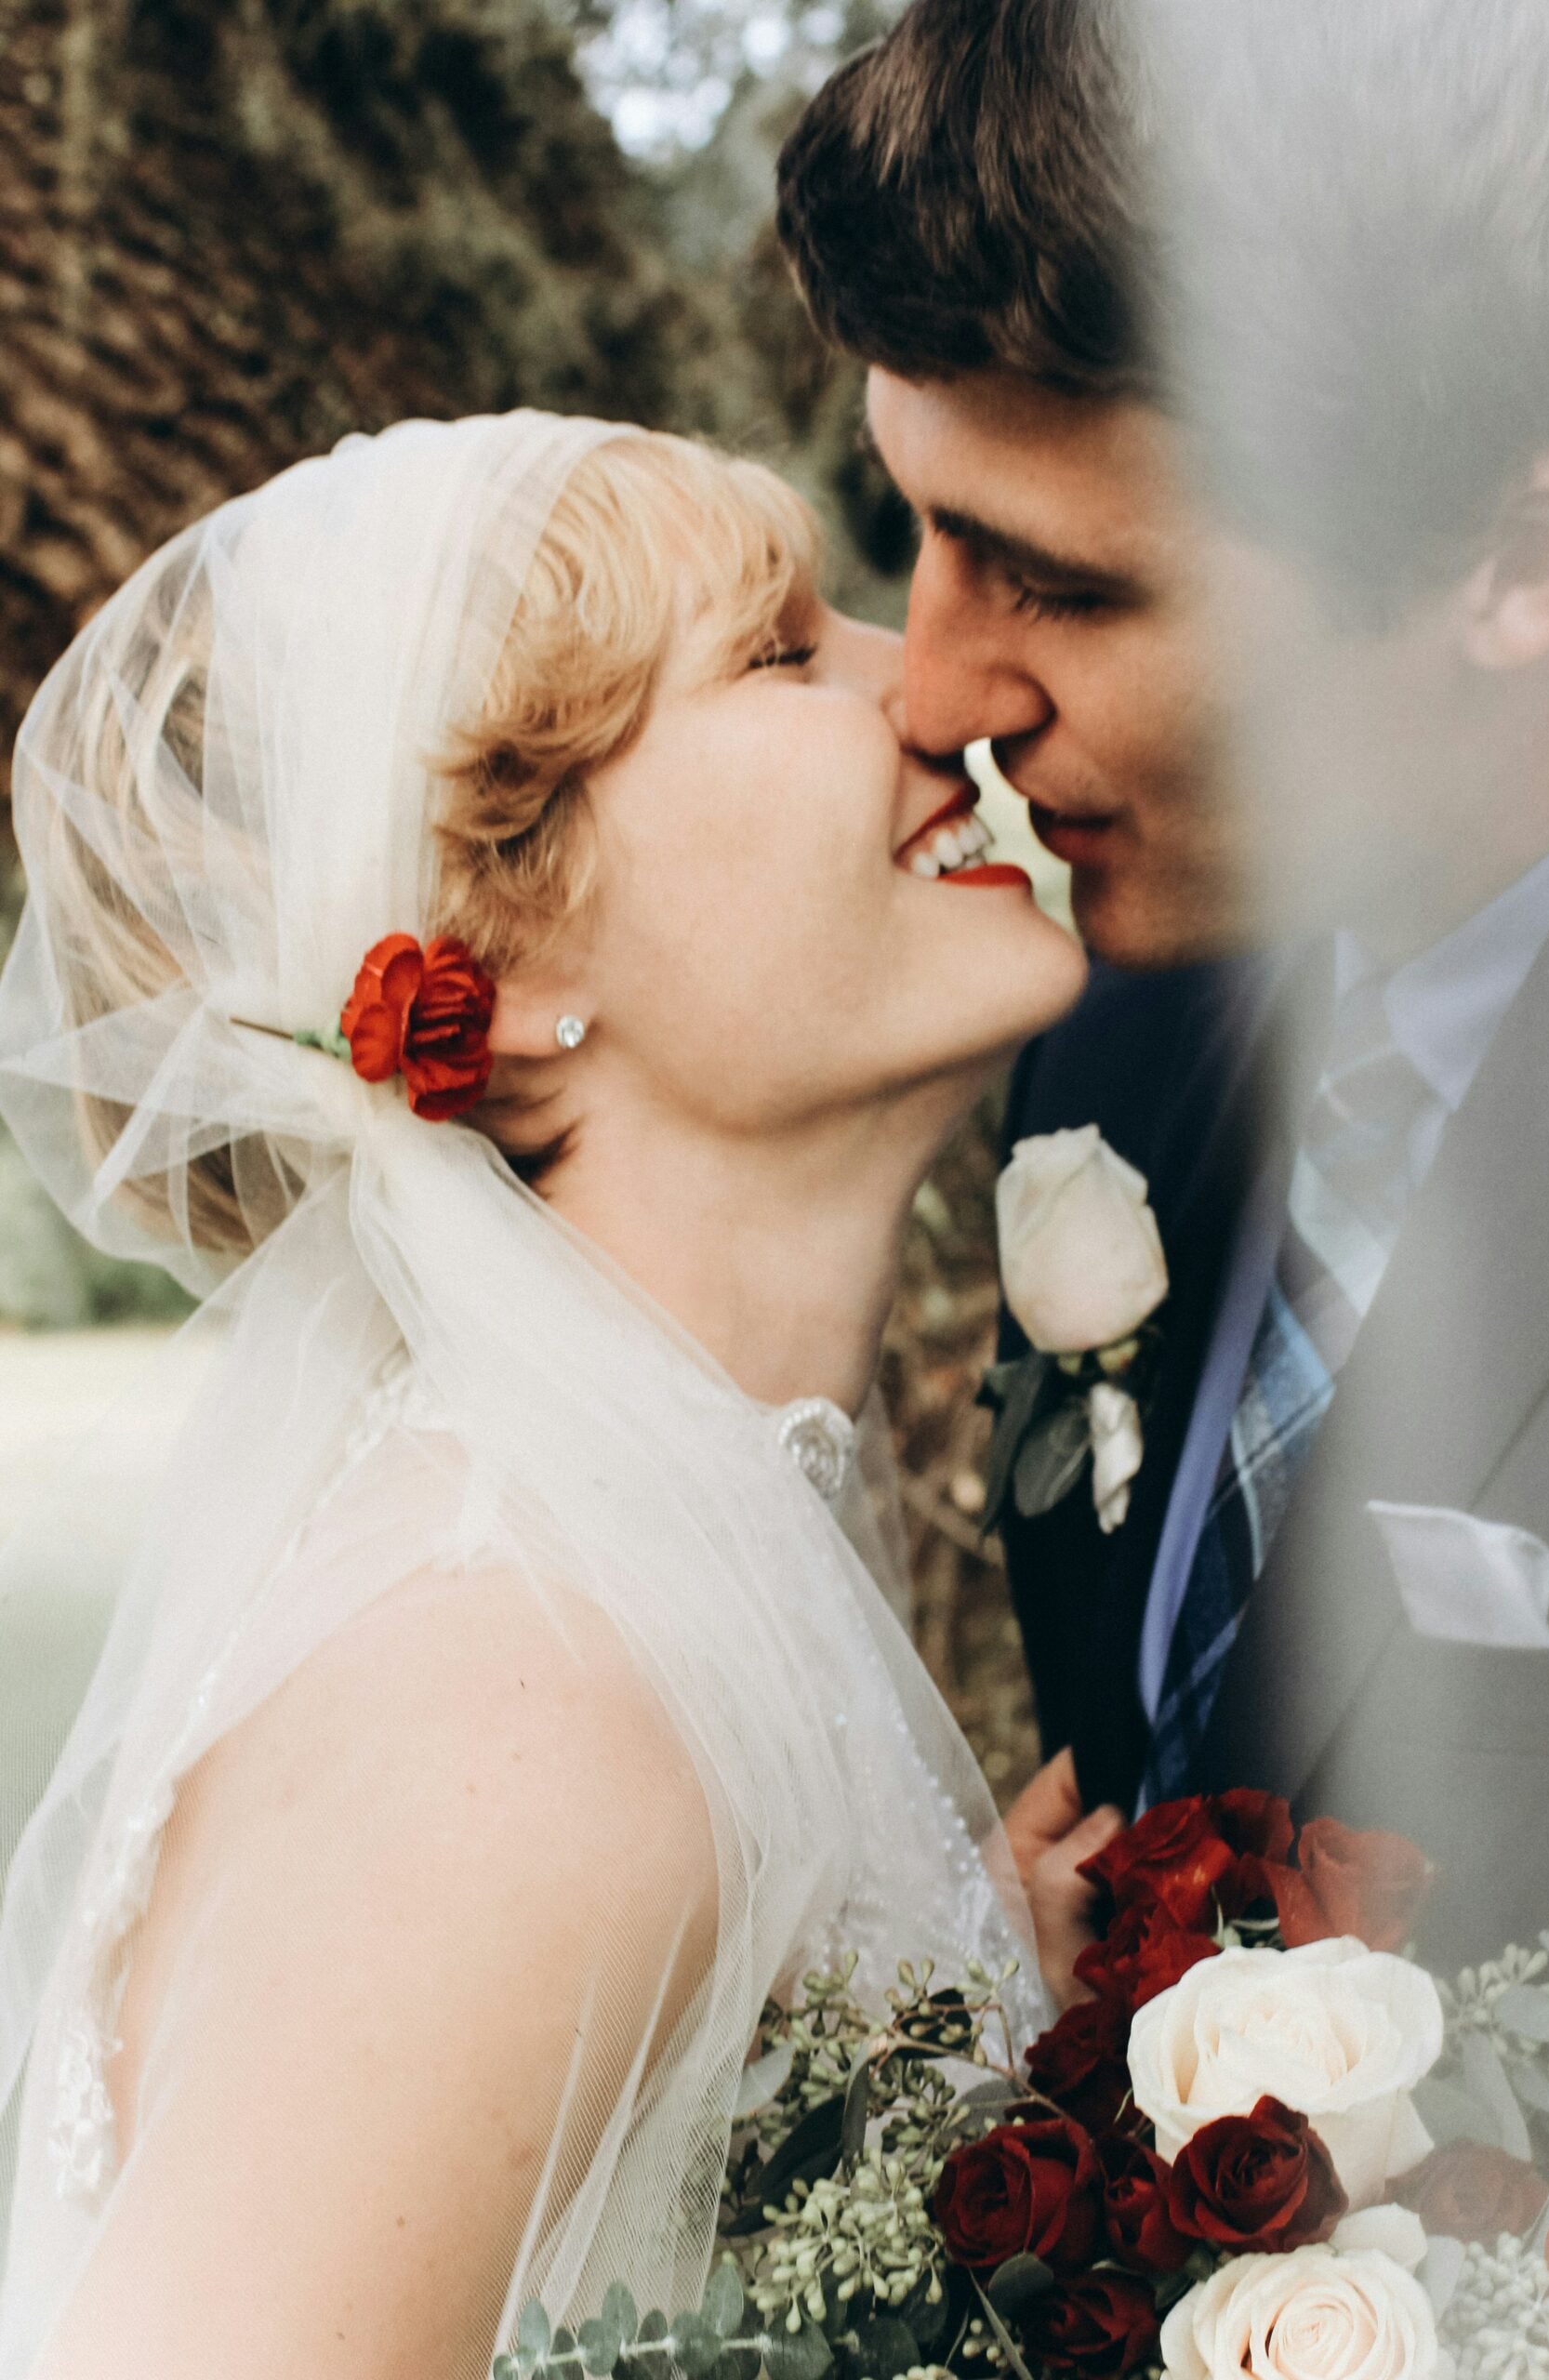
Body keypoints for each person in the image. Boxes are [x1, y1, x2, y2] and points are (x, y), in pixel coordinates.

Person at [0, 413, 1092, 2373]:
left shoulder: (644, 1574)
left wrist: (945, 2011)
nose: (924, 688)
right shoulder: (519, 1709)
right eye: (776, 648)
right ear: (487, 988)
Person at [778, 0, 1549, 1961]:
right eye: (917, 529)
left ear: (1514, 561)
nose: (943, 694)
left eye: (1056, 578)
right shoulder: (1091, 1034)